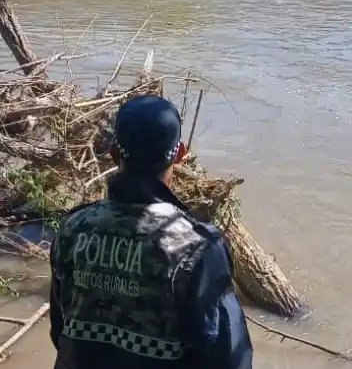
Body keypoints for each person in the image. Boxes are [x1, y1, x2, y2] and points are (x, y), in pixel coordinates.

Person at [49, 94, 253, 369]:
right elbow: (229, 357)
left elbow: (59, 331)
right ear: (180, 154)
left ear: (113, 153)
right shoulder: (196, 247)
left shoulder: (72, 229)